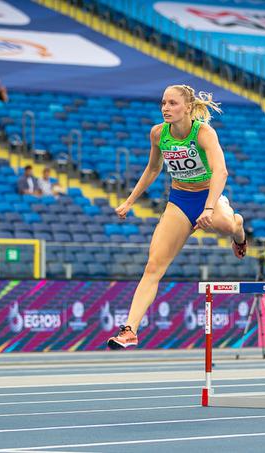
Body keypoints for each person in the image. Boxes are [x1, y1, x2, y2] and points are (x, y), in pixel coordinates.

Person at [107, 84, 247, 350]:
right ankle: (130, 330)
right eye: (163, 103)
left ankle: (239, 229)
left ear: (188, 107)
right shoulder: (158, 134)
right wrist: (129, 201)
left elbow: (221, 172)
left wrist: (208, 208)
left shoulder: (204, 133)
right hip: (180, 201)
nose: (166, 109)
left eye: (172, 103)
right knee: (153, 267)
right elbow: (152, 169)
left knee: (228, 225)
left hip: (208, 196)